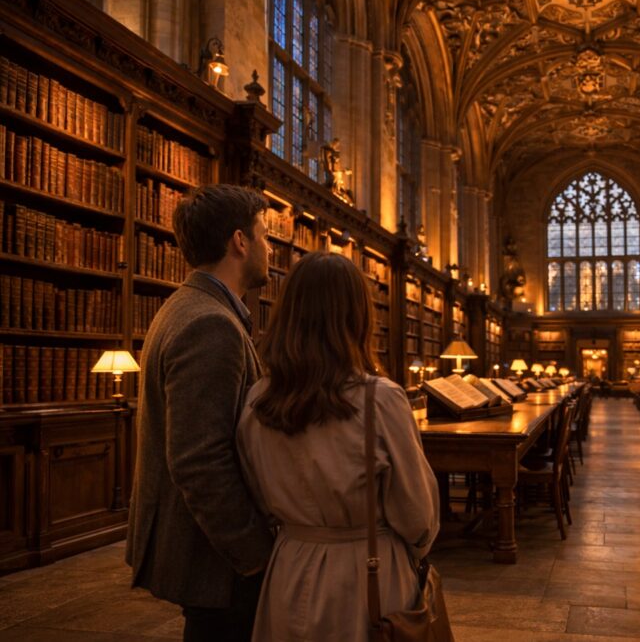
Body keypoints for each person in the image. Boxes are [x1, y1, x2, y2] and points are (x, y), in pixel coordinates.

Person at [237, 251, 440, 641]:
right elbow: (417, 514)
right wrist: (418, 549)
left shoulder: (256, 400)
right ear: (358, 317)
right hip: (366, 571)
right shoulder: (380, 399)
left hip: (289, 568)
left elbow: (255, 493)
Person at [126, 184, 275, 641]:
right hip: (217, 560)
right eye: (264, 235)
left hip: (208, 552)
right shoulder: (210, 323)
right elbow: (199, 460)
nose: (270, 248)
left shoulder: (188, 305)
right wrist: (255, 554)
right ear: (240, 241)